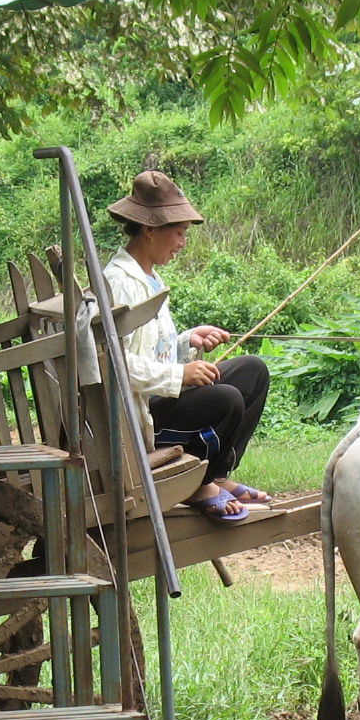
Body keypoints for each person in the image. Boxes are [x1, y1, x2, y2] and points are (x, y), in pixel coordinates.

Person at [102, 169, 272, 525]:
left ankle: (217, 474)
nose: (181, 243)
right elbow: (114, 365)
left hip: (158, 396)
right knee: (226, 399)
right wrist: (180, 375)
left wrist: (187, 342)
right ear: (150, 230)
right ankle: (198, 485)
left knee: (252, 371)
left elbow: (152, 349)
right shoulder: (120, 283)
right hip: (138, 418)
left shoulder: (149, 276)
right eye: (178, 234)